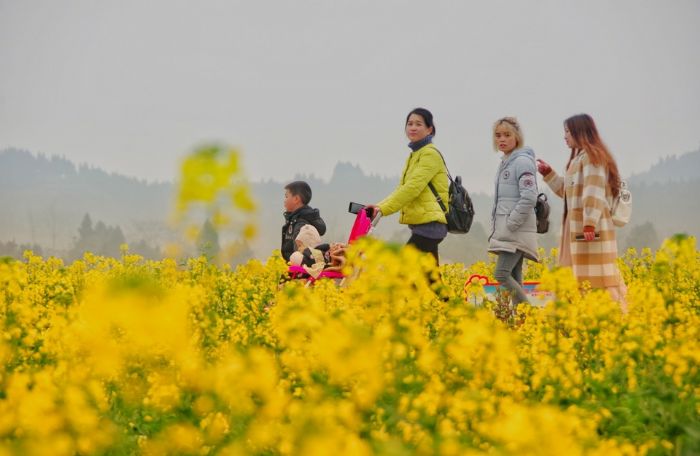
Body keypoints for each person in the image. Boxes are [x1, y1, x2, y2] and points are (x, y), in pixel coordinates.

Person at [537, 113, 627, 309]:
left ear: (580, 132)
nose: (565, 136)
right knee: (577, 274)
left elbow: (593, 191)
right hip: (577, 224)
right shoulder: (580, 158)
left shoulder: (593, 157)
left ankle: (613, 314)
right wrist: (549, 174)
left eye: (568, 132)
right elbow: (568, 192)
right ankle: (576, 317)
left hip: (588, 225)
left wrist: (589, 223)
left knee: (599, 276)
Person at [367, 108, 448, 264]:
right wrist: (378, 207)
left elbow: (411, 189)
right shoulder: (415, 155)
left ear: (429, 129)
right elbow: (401, 189)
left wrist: (383, 210)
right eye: (410, 124)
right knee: (431, 281)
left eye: (418, 124)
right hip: (423, 225)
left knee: (403, 271)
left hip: (430, 226)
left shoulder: (429, 154)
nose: (413, 127)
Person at [488, 117, 539, 306]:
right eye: (498, 135)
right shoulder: (506, 162)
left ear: (517, 137)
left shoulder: (522, 162)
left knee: (501, 274)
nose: (502, 139)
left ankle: (529, 313)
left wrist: (511, 223)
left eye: (507, 135)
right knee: (515, 275)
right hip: (511, 228)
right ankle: (522, 321)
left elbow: (529, 196)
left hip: (515, 229)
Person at [281, 181, 326, 262]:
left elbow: (299, 254)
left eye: (286, 196)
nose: (284, 200)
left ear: (296, 199)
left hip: (298, 269)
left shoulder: (302, 224)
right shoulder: (295, 219)